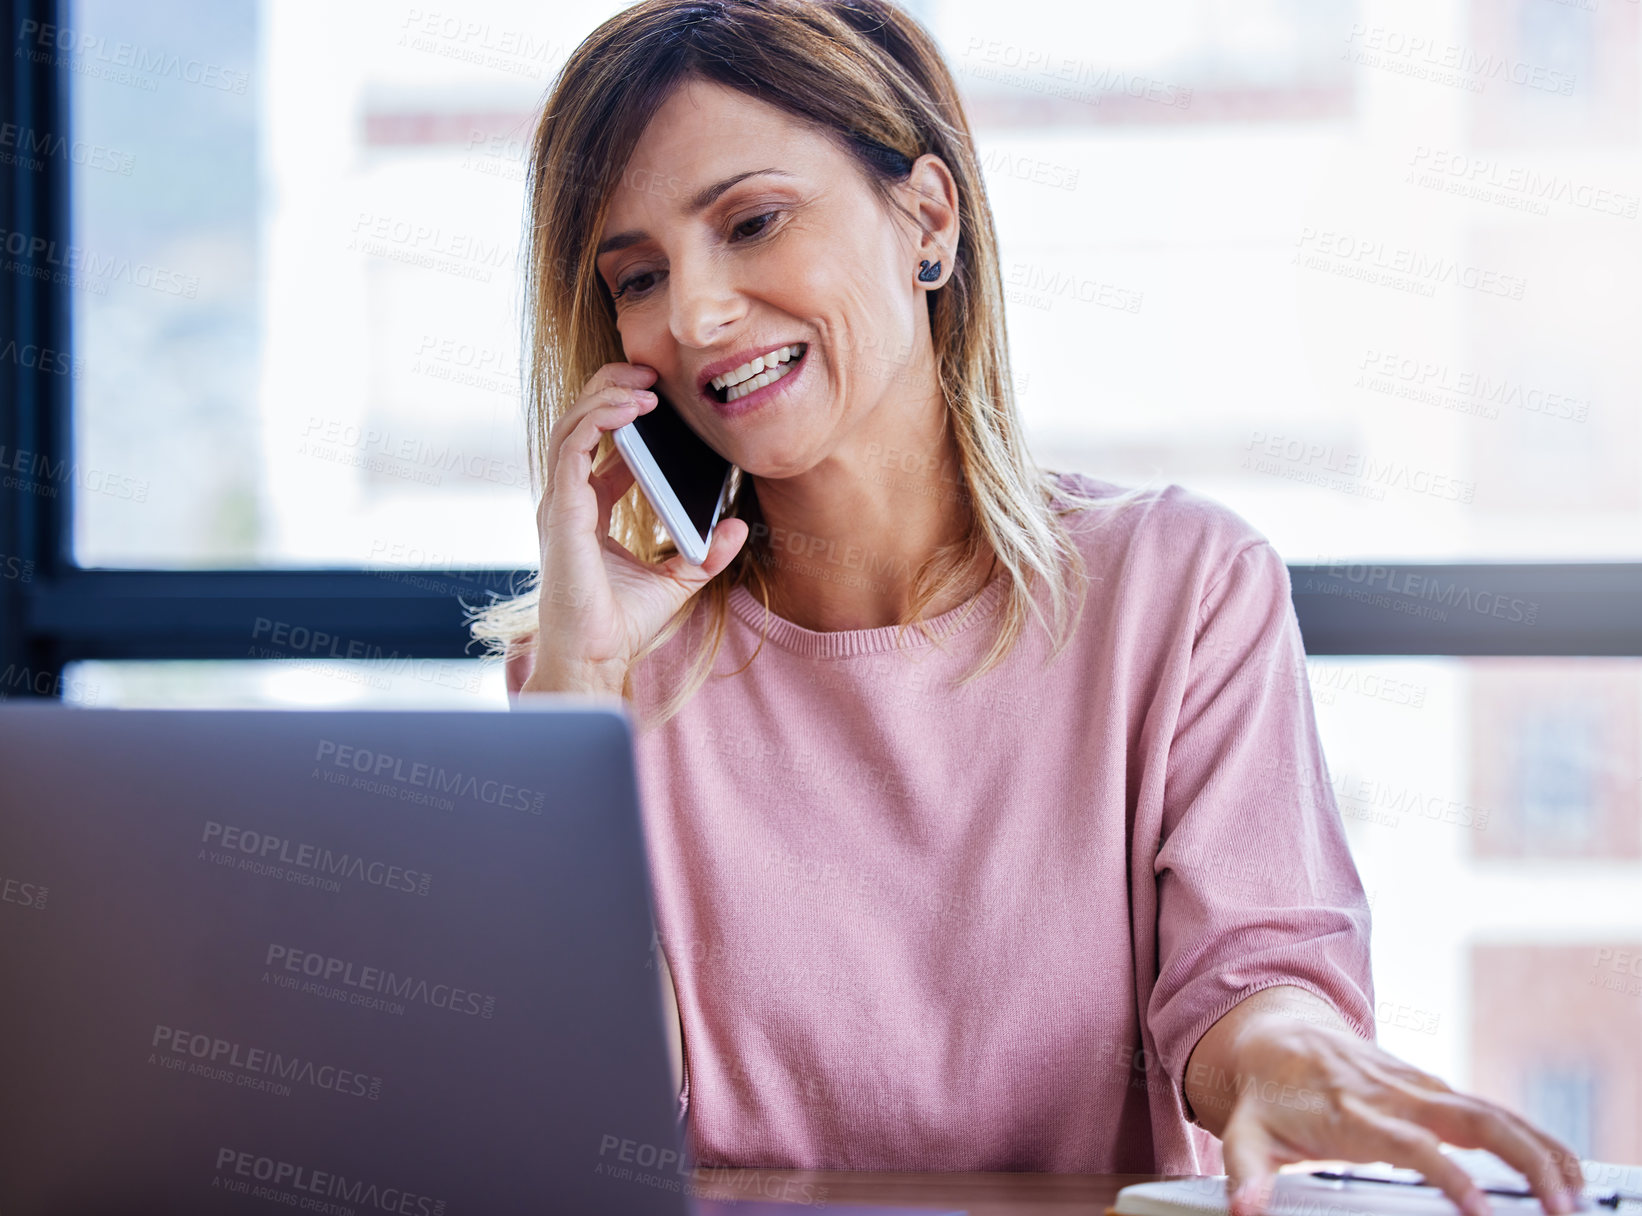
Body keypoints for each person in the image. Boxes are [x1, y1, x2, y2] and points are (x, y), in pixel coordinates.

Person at [470, 2, 1589, 1212]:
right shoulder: (597, 674)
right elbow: (569, 1116)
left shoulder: (1179, 587)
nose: (691, 317)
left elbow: (1249, 981)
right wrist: (579, 688)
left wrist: (1291, 1053)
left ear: (929, 220)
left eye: (752, 222)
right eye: (638, 277)